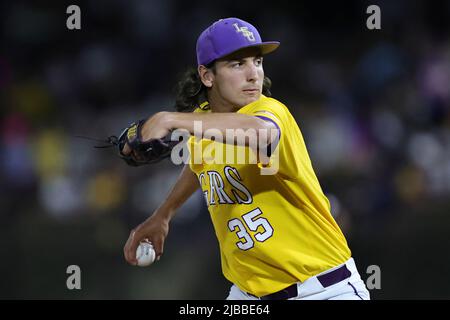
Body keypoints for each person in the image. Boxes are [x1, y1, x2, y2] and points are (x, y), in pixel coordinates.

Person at [122, 17, 370, 300]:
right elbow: (200, 164)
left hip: (323, 288)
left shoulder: (270, 112)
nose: (253, 74)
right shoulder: (204, 123)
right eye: (238, 64)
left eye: (257, 62)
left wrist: (168, 119)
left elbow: (259, 133)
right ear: (207, 76)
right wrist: (163, 214)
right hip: (248, 295)